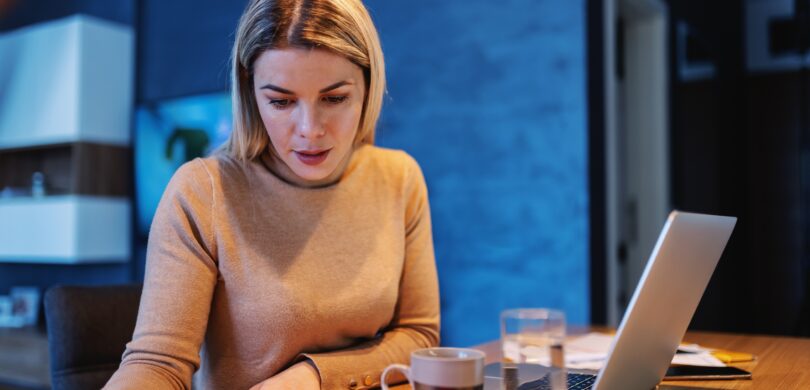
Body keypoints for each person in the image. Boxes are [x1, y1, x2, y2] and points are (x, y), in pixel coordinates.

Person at [104, 0, 440, 388]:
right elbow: (157, 363)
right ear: (251, 95)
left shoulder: (399, 178)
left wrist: (313, 377)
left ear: (368, 87)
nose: (310, 129)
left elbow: (419, 336)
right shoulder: (203, 191)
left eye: (334, 98)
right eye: (281, 101)